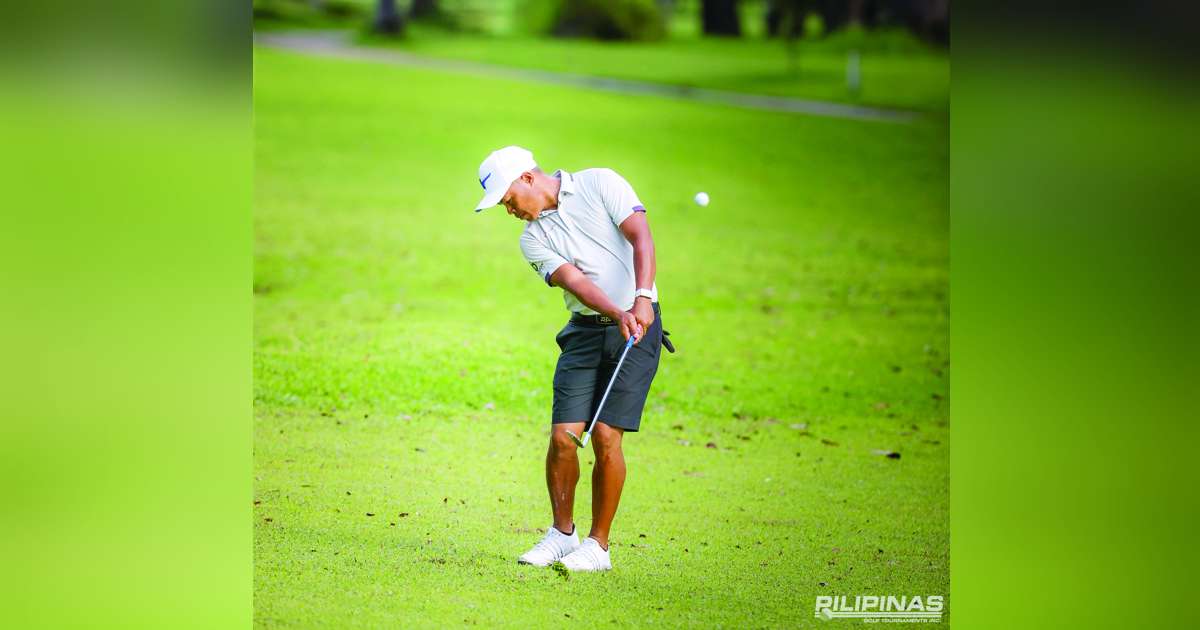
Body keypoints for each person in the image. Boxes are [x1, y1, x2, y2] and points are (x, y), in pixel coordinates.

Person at [474, 145, 673, 572]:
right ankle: (563, 535)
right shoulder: (532, 239)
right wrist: (617, 311)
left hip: (638, 329)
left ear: (528, 178)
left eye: (508, 200)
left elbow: (642, 236)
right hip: (586, 333)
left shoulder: (600, 181)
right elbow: (575, 282)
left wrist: (640, 300)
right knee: (564, 437)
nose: (509, 211)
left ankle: (598, 547)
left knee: (604, 436)